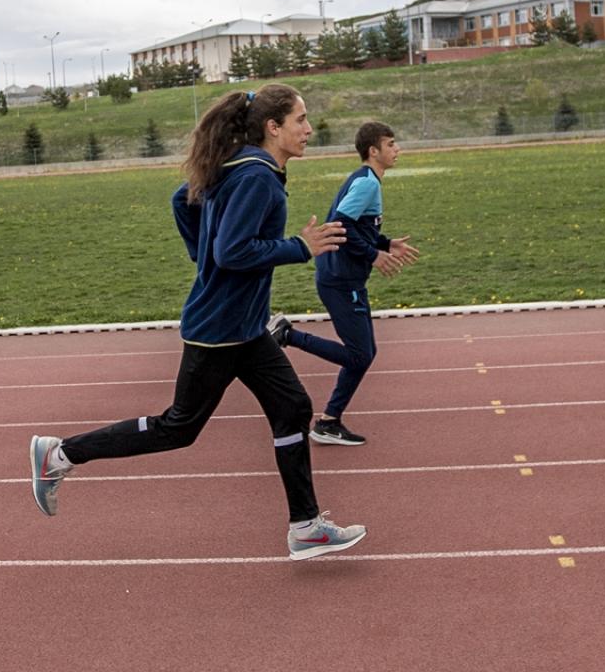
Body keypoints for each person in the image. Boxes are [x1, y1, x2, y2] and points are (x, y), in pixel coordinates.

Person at [29, 83, 368, 561]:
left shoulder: (242, 167)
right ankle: (59, 454)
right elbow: (232, 252)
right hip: (219, 330)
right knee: (178, 427)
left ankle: (306, 526)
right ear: (273, 128)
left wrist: (202, 257)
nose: (309, 129)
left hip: (243, 327)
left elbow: (180, 200)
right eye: (300, 120)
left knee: (292, 408)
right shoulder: (256, 177)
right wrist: (299, 247)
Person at [267, 122, 419, 446]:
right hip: (340, 279)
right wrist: (374, 256)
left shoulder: (367, 181)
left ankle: (329, 421)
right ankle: (287, 334)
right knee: (359, 355)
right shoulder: (367, 184)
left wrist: (386, 242)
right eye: (391, 144)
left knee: (365, 352)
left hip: (344, 277)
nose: (397, 150)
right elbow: (341, 225)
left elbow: (359, 227)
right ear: (373, 151)